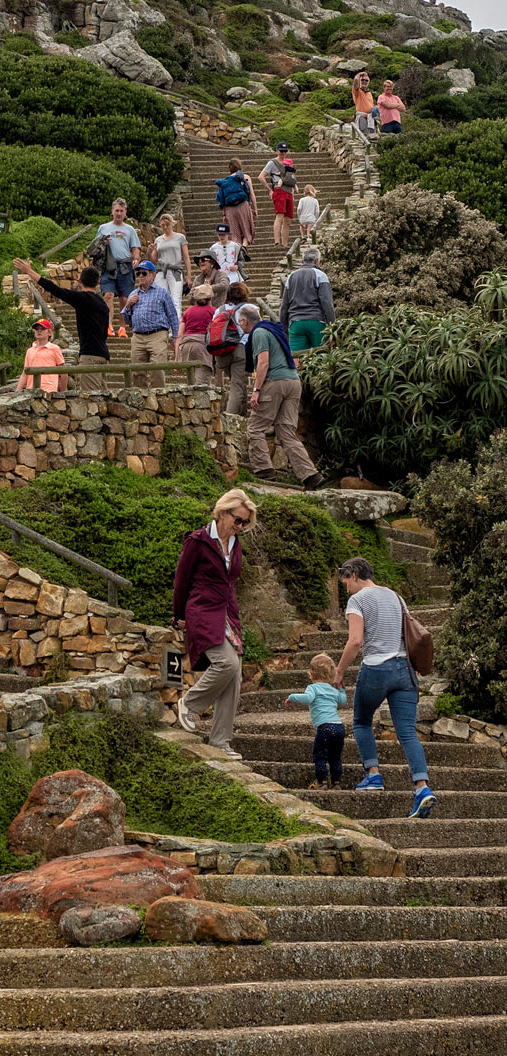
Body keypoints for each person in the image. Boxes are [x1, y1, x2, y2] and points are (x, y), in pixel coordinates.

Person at [334, 557, 436, 818]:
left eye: (345, 581)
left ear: (354, 574)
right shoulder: (395, 596)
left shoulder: (357, 600)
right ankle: (422, 788)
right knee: (408, 733)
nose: (345, 587)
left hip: (377, 669)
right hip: (405, 671)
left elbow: (355, 641)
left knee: (361, 722)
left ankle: (373, 775)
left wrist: (339, 671)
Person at [172, 488, 258, 759]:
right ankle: (190, 703)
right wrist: (179, 616)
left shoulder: (235, 544)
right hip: (201, 610)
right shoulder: (197, 541)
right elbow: (181, 581)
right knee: (226, 663)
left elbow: (231, 583)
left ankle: (220, 741)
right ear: (223, 512)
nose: (241, 526)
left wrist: (234, 614)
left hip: (227, 613)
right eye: (238, 520)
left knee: (235, 674)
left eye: (245, 522)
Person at [235, 303, 322, 489]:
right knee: (286, 432)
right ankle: (310, 476)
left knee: (255, 428)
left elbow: (263, 362)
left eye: (239, 322)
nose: (240, 326)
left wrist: (256, 390)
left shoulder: (258, 333)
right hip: (293, 381)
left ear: (244, 321)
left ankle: (264, 471)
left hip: (275, 382)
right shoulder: (274, 330)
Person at [12, 259, 110, 391]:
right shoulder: (103, 304)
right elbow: (105, 333)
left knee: (91, 398)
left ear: (79, 280)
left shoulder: (81, 299)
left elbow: (54, 289)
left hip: (89, 355)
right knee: (104, 396)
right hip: (103, 355)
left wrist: (29, 271)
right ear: (98, 282)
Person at [284, 652, 347, 790]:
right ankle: (336, 783)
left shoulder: (312, 688)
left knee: (320, 756)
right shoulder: (332, 689)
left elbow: (308, 698)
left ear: (311, 674)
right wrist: (341, 690)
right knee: (335, 757)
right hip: (339, 727)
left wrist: (292, 697)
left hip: (324, 727)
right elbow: (343, 701)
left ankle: (321, 782)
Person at [120, 261, 179, 387]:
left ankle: (159, 398)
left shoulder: (163, 293)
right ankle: (140, 401)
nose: (140, 276)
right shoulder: (133, 294)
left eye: (144, 273)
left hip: (157, 334)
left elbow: (173, 316)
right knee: (137, 371)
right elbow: (127, 320)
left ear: (153, 275)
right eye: (138, 273)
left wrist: (175, 337)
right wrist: (128, 305)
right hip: (138, 336)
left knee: (156, 369)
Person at [93, 198, 141, 336]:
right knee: (108, 295)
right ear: (112, 212)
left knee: (124, 298)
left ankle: (122, 327)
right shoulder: (103, 228)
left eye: (121, 211)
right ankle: (108, 326)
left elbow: (135, 247)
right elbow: (94, 247)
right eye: (117, 211)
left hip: (125, 266)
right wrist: (103, 242)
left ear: (125, 213)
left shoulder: (130, 229)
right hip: (108, 266)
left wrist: (136, 259)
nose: (119, 213)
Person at [209, 281, 253, 417]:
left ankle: (243, 414)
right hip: (240, 349)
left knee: (238, 382)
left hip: (222, 351)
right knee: (237, 384)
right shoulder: (250, 308)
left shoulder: (219, 310)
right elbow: (256, 330)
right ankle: (230, 418)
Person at [281, 246, 336, 354]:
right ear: (317, 261)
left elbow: (284, 306)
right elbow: (327, 303)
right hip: (316, 322)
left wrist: (284, 328)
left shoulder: (291, 277)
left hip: (296, 323)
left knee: (296, 358)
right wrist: (332, 325)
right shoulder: (320, 275)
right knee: (321, 356)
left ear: (302, 261)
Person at [149, 212, 191, 315]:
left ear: (172, 224)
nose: (165, 227)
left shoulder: (180, 237)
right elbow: (153, 260)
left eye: (167, 224)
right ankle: (164, 327)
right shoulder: (158, 239)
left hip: (175, 270)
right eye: (163, 225)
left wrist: (189, 275)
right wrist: (150, 251)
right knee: (161, 299)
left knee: (175, 300)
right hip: (161, 271)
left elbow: (186, 257)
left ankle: (176, 329)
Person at [16, 318, 67, 393]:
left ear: (49, 332)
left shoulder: (55, 349)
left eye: (42, 329)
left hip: (49, 391)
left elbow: (63, 372)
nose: (39, 331)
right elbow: (25, 373)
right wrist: (17, 392)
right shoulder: (30, 351)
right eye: (36, 329)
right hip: (31, 391)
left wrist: (63, 392)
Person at [174, 283, 215, 377]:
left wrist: (177, 359)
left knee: (191, 380)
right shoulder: (213, 311)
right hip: (202, 345)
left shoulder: (188, 311)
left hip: (186, 345)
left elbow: (179, 335)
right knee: (202, 381)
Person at [271, 158, 297, 247]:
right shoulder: (278, 169)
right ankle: (277, 241)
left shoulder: (291, 173)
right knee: (280, 215)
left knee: (288, 219)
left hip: (289, 193)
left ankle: (284, 243)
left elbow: (293, 182)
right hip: (280, 191)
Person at [352, 72, 375, 137]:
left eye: (366, 80)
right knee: (363, 137)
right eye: (362, 80)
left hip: (370, 118)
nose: (364, 81)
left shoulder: (369, 93)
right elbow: (356, 81)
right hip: (362, 118)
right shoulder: (357, 91)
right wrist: (359, 74)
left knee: (372, 137)